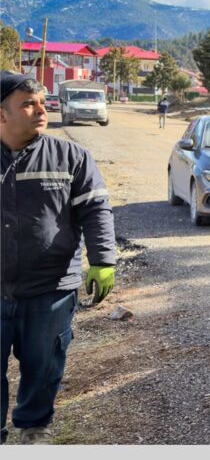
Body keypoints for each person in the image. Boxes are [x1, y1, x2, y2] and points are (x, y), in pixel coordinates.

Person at [0, 71, 116, 445]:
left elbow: (96, 211)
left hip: (51, 288)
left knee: (44, 364)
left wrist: (103, 260)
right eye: (28, 104)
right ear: (3, 114)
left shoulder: (71, 156)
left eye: (41, 102)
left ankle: (34, 429)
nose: (40, 110)